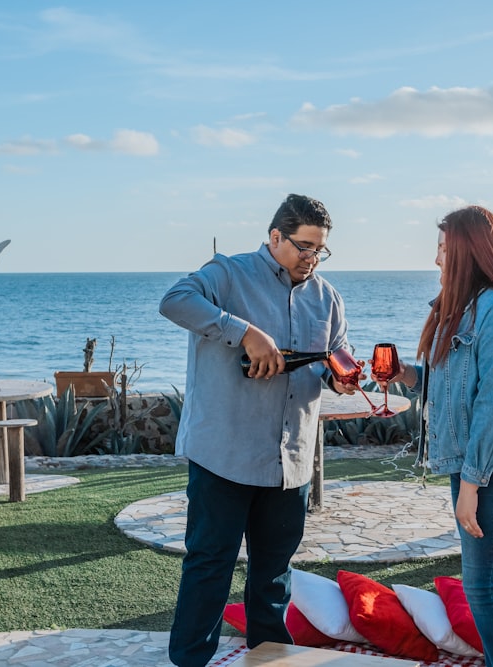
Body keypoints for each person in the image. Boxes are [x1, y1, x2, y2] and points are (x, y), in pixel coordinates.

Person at [159, 193, 358, 667]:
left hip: (290, 461)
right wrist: (245, 331)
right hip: (224, 452)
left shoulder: (327, 297)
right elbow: (174, 301)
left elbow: (337, 354)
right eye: (303, 247)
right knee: (210, 566)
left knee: (273, 576)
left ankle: (270, 660)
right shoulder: (227, 273)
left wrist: (345, 376)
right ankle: (189, 661)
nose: (311, 259)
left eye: (319, 250)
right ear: (275, 237)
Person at [386, 205, 493, 667]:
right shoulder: (465, 305)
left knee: (483, 585)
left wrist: (471, 485)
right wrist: (408, 375)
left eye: (443, 250)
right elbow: (462, 386)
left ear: (469, 252)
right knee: (483, 582)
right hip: (482, 460)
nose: (437, 260)